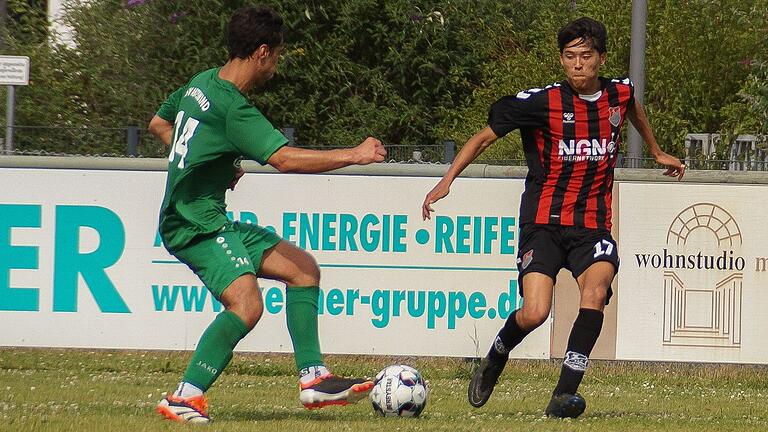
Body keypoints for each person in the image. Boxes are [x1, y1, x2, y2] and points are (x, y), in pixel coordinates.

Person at [421, 17, 684, 418]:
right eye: (569, 57)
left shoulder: (620, 92)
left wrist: (656, 150)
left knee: (594, 294)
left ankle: (563, 393)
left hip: (591, 225)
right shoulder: (540, 103)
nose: (577, 65)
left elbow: (634, 110)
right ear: (562, 60)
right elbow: (483, 136)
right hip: (543, 223)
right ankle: (497, 353)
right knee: (535, 312)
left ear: (601, 58)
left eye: (586, 56)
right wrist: (448, 179)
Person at [148, 5, 386, 424]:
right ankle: (183, 397)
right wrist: (356, 154)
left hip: (208, 215)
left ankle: (313, 379)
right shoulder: (233, 108)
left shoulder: (201, 82)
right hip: (194, 223)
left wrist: (212, 165)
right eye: (276, 55)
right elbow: (285, 159)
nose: (276, 65)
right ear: (261, 52)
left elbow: (158, 124)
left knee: (304, 270)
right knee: (246, 305)